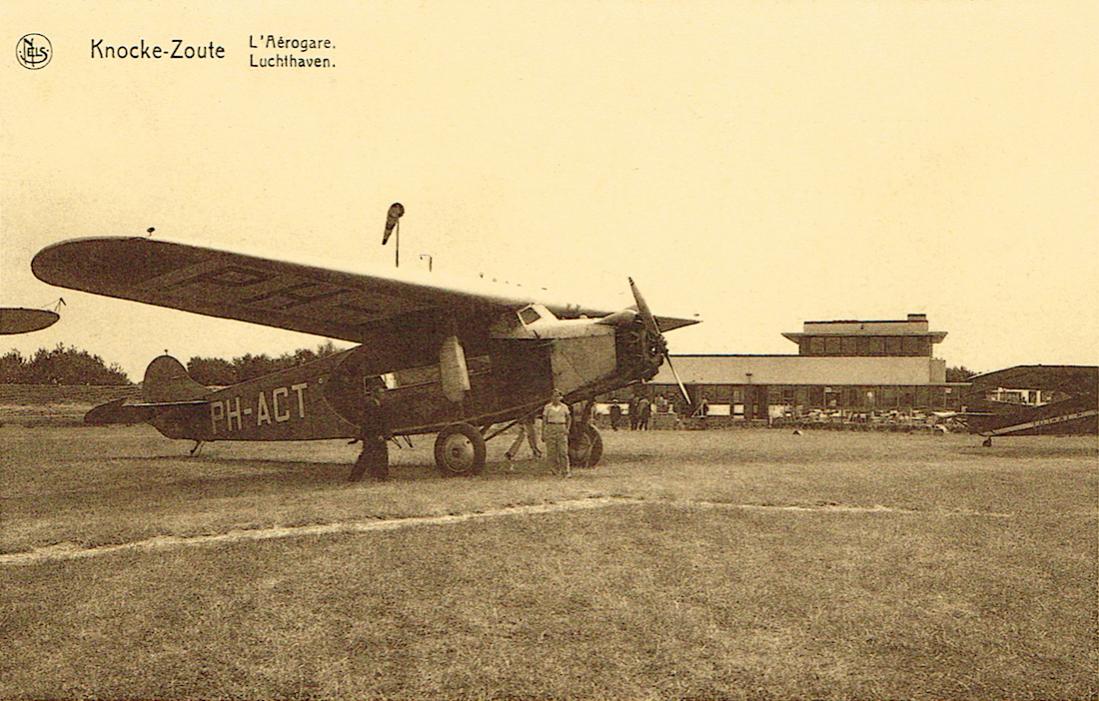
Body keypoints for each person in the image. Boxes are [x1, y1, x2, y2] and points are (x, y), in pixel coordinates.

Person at [350, 384, 390, 481]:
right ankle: (356, 476)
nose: (383, 395)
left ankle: (380, 476)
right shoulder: (371, 406)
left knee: (373, 455)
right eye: (381, 393)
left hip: (373, 434)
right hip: (373, 435)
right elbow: (372, 422)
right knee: (370, 455)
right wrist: (379, 434)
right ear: (376, 394)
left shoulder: (376, 404)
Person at [542, 390, 571, 477]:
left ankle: (565, 471)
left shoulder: (564, 407)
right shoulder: (547, 407)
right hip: (551, 427)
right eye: (554, 396)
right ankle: (554, 471)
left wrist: (567, 429)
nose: (556, 398)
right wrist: (543, 433)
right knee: (551, 452)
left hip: (561, 427)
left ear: (560, 398)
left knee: (563, 451)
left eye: (558, 396)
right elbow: (544, 421)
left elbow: (569, 418)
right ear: (551, 397)